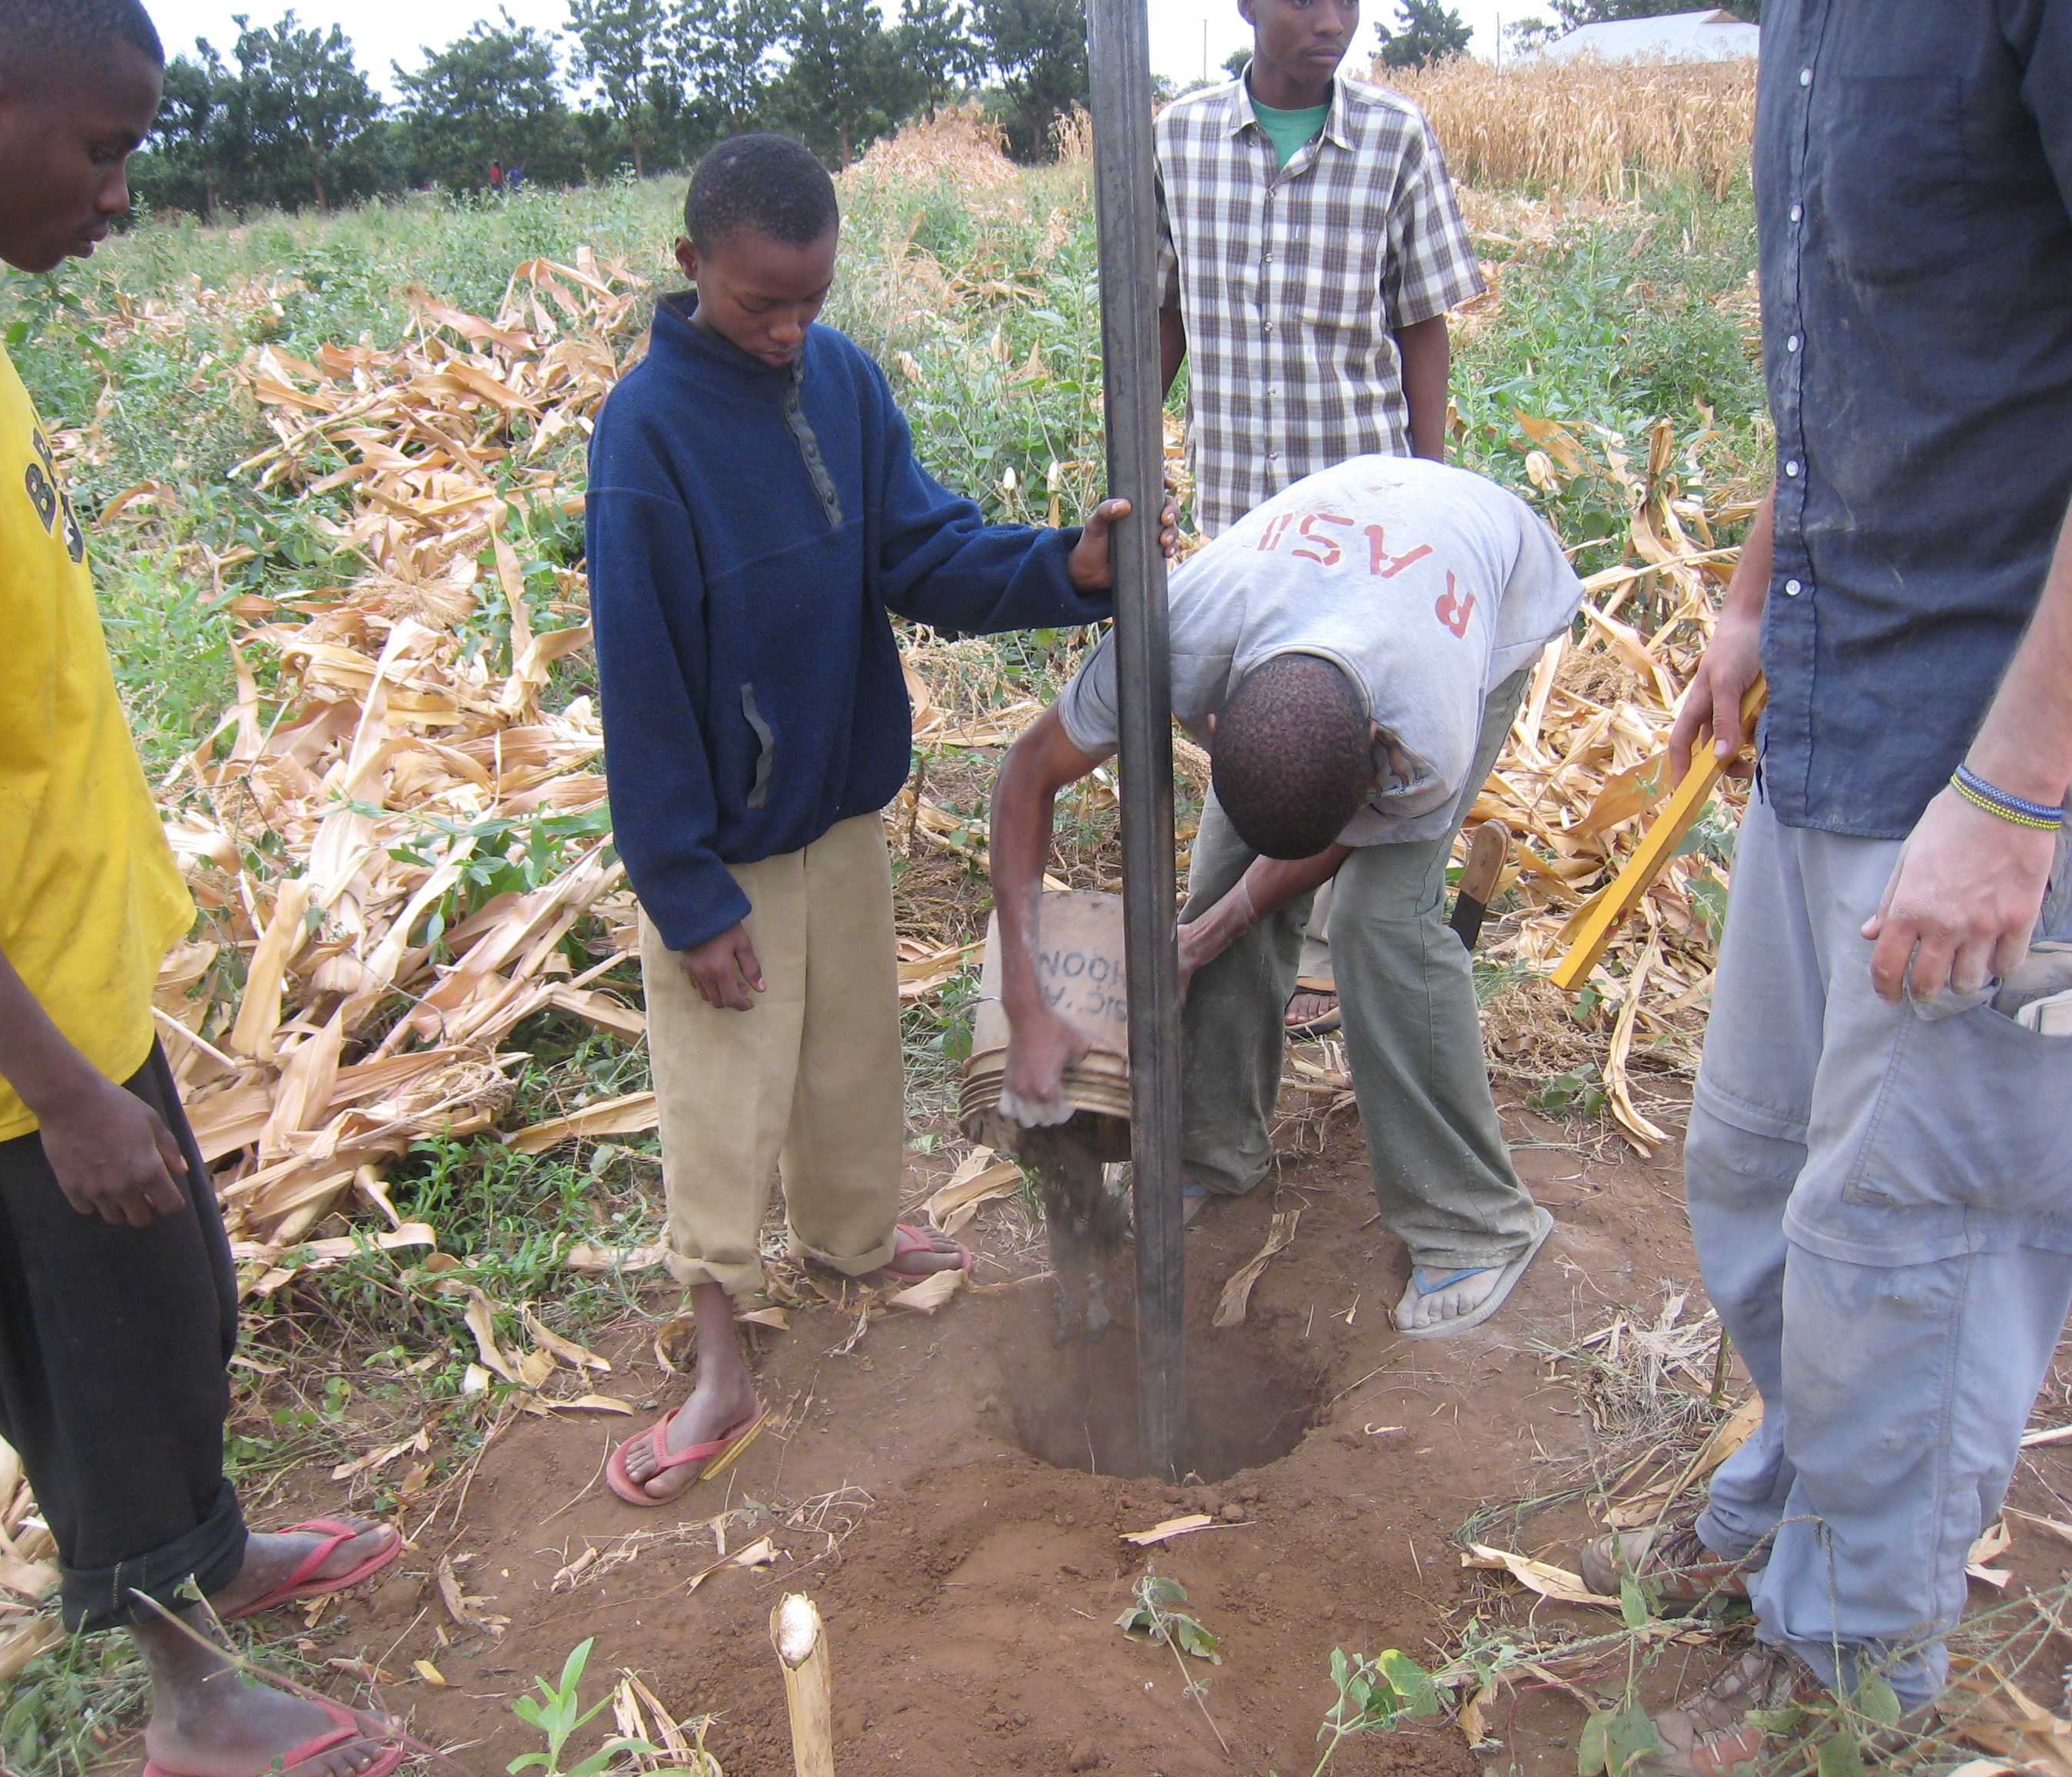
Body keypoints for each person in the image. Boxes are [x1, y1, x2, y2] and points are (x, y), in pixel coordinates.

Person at [0, 6, 404, 1776]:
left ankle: (215, 1560)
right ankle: (190, 1703)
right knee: (97, 1380)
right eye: (105, 148)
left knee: (166, 1322)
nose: (121, 192)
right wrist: (60, 1093)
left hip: (59, 989)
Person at [1577, 8, 2072, 1770]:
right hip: (1844, 692)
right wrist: (1754, 593)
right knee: (1759, 1167)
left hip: (2006, 738)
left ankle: (1850, 1668)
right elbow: (1841, 333)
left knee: (1915, 1235)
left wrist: (2016, 783)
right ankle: (1807, 1490)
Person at [588, 134, 1169, 1506]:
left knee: (848, 1051)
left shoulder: (838, 382)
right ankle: (720, 1357)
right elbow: (642, 683)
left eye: (812, 298)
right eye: (760, 303)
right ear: (691, 265)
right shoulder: (647, 434)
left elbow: (920, 549)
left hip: (838, 806)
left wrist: (1066, 565)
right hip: (722, 843)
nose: (788, 329)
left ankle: (850, 1239)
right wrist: (686, 891)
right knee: (724, 1093)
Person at [989, 454, 1576, 1337]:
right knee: (1222, 876)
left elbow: (1341, 841)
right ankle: (1212, 1148)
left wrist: (1203, 941)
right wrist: (1026, 1005)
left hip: (1483, 581)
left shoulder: (1428, 729)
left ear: (1377, 751)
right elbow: (1026, 776)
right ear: (1216, 719)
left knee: (1383, 919)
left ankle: (1475, 1224)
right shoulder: (1175, 640)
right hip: (1329, 570)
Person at [1155, 0, 1484, 1039]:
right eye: (1304, 0)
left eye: (1348, 1)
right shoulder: (1180, 140)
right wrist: (1135, 456)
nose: (1331, 21)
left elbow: (1421, 322)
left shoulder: (1393, 137)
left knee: (1352, 755)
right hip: (1246, 531)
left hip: (1365, 531)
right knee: (1259, 766)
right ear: (1249, 6)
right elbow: (1164, 311)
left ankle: (1326, 961)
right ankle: (1236, 1041)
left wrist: (1429, 491)